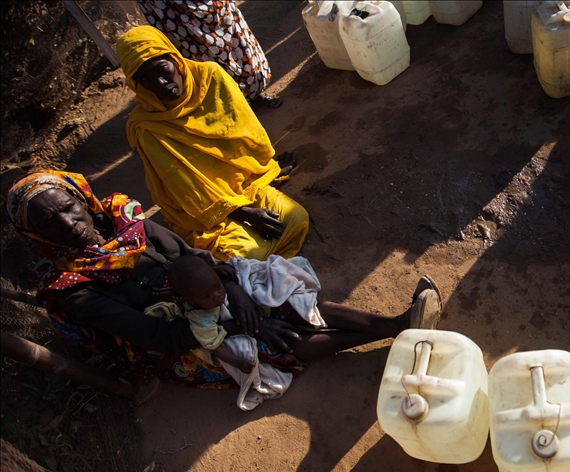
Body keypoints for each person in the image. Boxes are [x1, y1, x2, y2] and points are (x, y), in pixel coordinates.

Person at [5, 170, 442, 389]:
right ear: (35, 235)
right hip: (182, 335)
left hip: (209, 287)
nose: (65, 223)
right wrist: (240, 323)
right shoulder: (73, 288)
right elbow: (156, 335)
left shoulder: (126, 219)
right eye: (47, 223)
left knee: (288, 299)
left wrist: (234, 290)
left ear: (81, 198)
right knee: (275, 340)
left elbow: (193, 255)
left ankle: (397, 324)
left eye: (67, 207)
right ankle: (397, 331)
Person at [116, 25, 307, 262]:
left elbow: (244, 131)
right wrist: (245, 213)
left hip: (244, 184)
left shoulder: (211, 77)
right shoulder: (146, 128)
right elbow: (186, 189)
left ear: (174, 59)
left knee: (297, 219)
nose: (159, 83)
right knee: (250, 255)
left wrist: (264, 171)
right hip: (202, 211)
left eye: (161, 69)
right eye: (144, 78)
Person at [137, 0, 283, 108]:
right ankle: (234, 106)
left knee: (238, 46)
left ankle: (254, 93)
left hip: (215, 7)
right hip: (174, 13)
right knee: (200, 58)